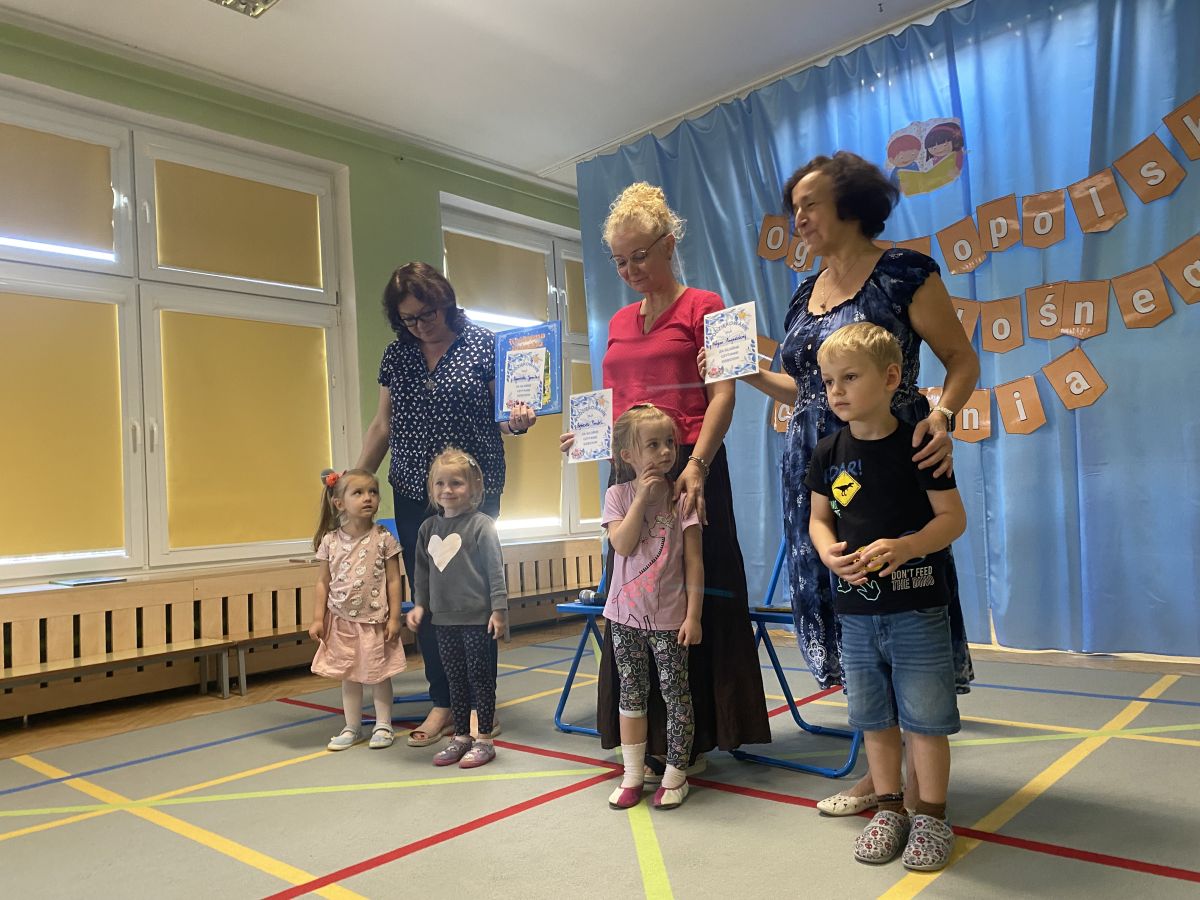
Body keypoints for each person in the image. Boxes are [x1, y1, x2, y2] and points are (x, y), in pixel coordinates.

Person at [733, 151, 979, 814]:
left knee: (901, 602)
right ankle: (880, 772)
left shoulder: (904, 273)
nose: (798, 220)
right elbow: (807, 389)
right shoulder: (802, 294)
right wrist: (749, 373)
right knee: (846, 611)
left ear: (849, 204)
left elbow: (961, 360)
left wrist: (945, 416)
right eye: (793, 209)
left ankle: (912, 785)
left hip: (892, 462)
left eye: (809, 205)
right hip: (818, 468)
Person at [561, 182, 770, 778]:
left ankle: (696, 736)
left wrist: (697, 465)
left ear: (668, 244)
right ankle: (641, 738)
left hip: (689, 466)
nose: (630, 271)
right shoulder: (618, 321)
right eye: (618, 261)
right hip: (630, 472)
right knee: (633, 594)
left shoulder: (705, 306)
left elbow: (723, 394)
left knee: (690, 589)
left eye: (639, 256)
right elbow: (616, 402)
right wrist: (590, 438)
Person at [805, 322, 965, 869]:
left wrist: (907, 547)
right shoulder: (828, 453)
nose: (837, 391)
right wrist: (828, 553)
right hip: (855, 614)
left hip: (916, 608)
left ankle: (932, 817)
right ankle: (890, 809)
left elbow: (952, 519)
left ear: (891, 377)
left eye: (850, 377)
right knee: (873, 718)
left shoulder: (919, 445)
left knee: (926, 719)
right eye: (829, 381)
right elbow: (819, 520)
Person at [356, 262, 536, 748]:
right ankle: (444, 700)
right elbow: (382, 425)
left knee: (472, 598)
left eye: (427, 314)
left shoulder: (483, 345)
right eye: (409, 319)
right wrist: (357, 477)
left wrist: (518, 420)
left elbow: (505, 416)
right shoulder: (397, 354)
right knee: (429, 596)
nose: (420, 326)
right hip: (415, 490)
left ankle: (480, 706)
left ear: (445, 303)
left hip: (472, 494)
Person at [603, 405, 703, 811]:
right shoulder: (617, 495)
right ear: (628, 455)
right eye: (653, 445)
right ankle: (632, 774)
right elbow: (623, 545)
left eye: (669, 443)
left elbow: (694, 561)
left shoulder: (683, 498)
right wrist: (642, 497)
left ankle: (676, 775)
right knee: (631, 695)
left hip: (669, 619)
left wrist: (693, 615)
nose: (664, 452)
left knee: (676, 695)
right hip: (624, 617)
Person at [406, 448, 508, 769]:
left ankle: (484, 739)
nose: (447, 490)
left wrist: (499, 610)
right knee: (455, 679)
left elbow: (495, 571)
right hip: (443, 621)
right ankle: (461, 736)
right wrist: (420, 605)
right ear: (431, 488)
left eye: (456, 483)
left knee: (480, 678)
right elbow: (422, 573)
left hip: (477, 619)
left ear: (474, 487)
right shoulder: (428, 529)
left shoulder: (481, 526)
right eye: (440, 483)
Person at [308, 468, 407, 751]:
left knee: (379, 674)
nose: (368, 498)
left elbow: (394, 580)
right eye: (359, 493)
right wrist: (318, 618)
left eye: (373, 492)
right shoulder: (330, 541)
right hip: (341, 622)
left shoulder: (383, 538)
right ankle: (352, 727)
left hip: (375, 621)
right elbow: (322, 582)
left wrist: (394, 617)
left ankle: (383, 724)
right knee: (349, 675)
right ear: (339, 503)